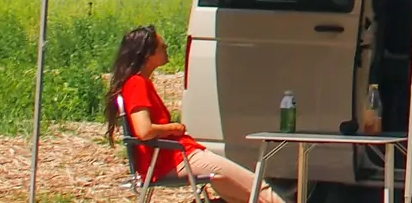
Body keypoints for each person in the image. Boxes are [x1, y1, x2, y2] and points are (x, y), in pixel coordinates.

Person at [105, 25, 285, 203]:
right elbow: (144, 130)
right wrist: (174, 127)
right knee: (256, 187)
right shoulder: (137, 84)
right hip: (171, 159)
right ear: (147, 54)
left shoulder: (139, 82)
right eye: (162, 47)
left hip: (171, 156)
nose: (167, 50)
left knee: (233, 192)